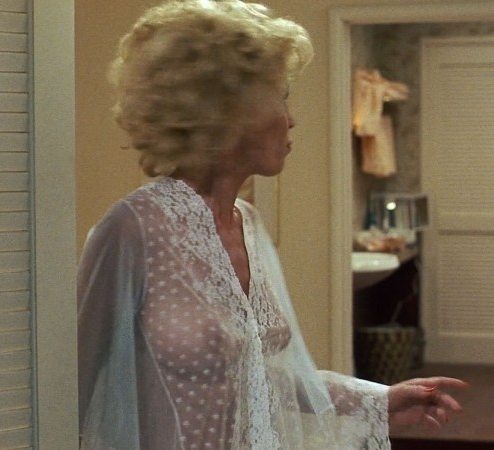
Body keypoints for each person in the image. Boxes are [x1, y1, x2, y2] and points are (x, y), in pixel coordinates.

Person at [77, 1, 468, 448]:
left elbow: (264, 378)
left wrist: (380, 399)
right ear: (225, 108)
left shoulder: (248, 224)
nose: (291, 118)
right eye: (281, 96)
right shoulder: (133, 228)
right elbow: (68, 386)